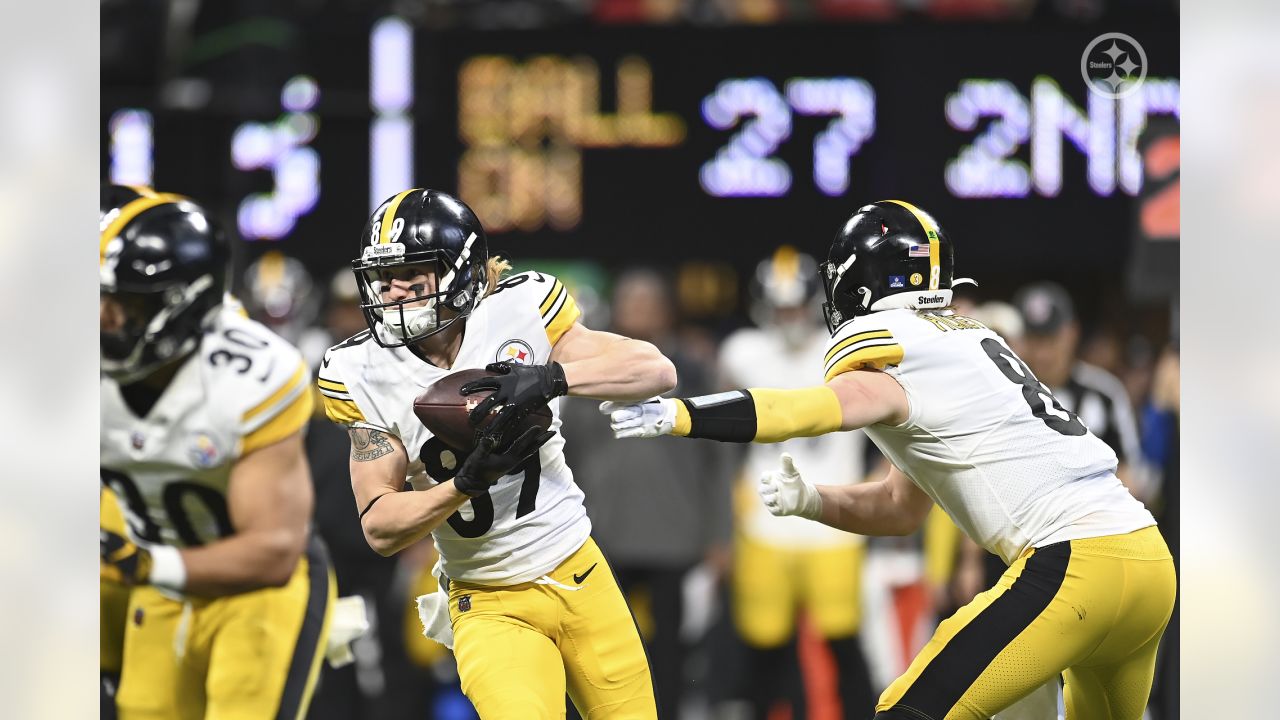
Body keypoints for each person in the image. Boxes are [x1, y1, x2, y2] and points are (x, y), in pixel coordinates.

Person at [603, 200, 1176, 720]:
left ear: (856, 284)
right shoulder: (967, 342)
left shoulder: (896, 344)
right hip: (1147, 562)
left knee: (907, 711)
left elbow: (810, 410)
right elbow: (900, 507)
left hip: (1074, 567)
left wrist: (683, 416)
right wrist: (814, 500)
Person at [316, 188, 676, 718]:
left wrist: (550, 378)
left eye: (412, 276)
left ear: (460, 274)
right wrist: (463, 483)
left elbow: (656, 371)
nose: (392, 294)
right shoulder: (360, 372)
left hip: (580, 569)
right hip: (484, 600)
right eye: (383, 279)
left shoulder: (519, 310)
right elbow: (380, 526)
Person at [99, 187, 335, 719]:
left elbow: (273, 549)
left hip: (253, 585)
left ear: (179, 304)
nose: (101, 319)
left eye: (121, 304)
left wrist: (142, 562)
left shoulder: (251, 377)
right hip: (152, 570)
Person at [559, 268, 733, 720]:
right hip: (601, 534)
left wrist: (720, 537)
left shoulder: (694, 370)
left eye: (647, 302)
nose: (639, 311)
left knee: (670, 651)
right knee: (594, 645)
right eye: (631, 302)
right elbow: (565, 449)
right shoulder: (584, 372)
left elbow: (720, 460)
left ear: (666, 309)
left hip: (675, 537)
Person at [718, 247, 874, 719]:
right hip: (766, 521)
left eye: (796, 305)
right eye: (780, 306)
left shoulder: (847, 350)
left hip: (834, 520)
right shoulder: (743, 352)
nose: (789, 316)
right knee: (764, 647)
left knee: (843, 643)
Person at [1012, 281, 1147, 501]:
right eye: (1034, 341)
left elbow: (1129, 474)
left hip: (1095, 523)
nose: (1042, 354)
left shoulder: (1104, 393)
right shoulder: (1009, 394)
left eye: (1051, 340)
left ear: (1072, 333)